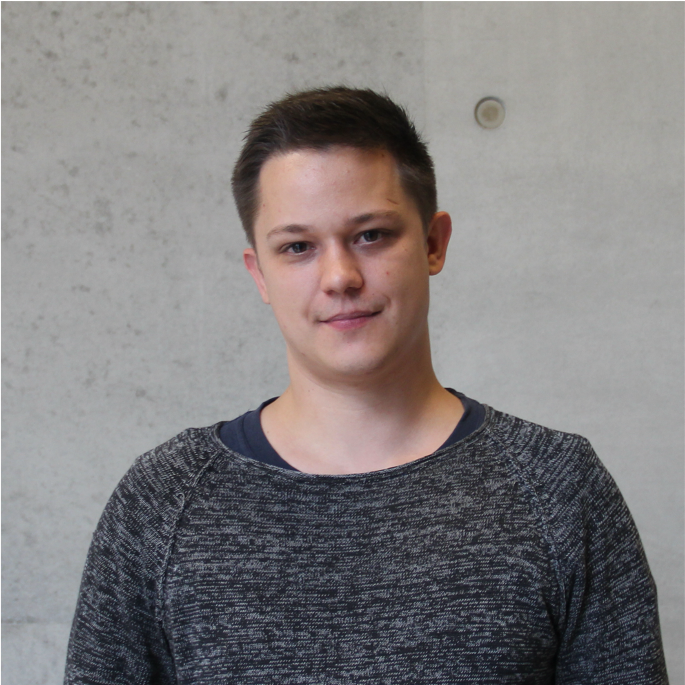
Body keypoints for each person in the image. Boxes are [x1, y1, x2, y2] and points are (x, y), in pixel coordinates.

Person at [65, 87, 668, 684]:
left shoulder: (559, 488)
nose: (340, 277)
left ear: (434, 243)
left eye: (371, 235)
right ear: (260, 274)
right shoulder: (162, 503)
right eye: (298, 247)